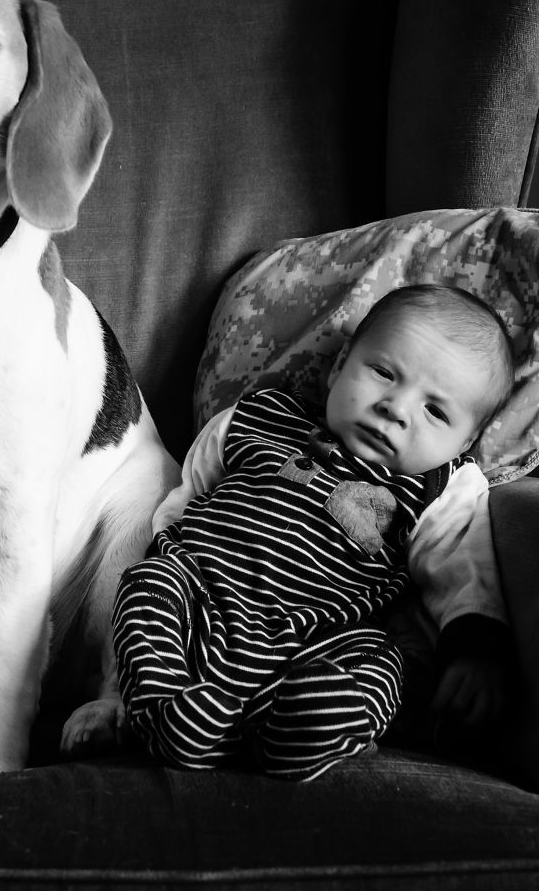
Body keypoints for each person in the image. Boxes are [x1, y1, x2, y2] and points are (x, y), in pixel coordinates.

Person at [112, 284, 515, 781]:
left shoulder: (438, 488)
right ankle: (164, 712)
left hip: (319, 640)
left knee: (385, 662)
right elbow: (186, 496)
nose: (396, 408)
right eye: (384, 373)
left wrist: (475, 652)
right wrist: (170, 555)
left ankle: (307, 728)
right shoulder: (255, 419)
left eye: (436, 411)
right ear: (341, 362)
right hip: (205, 602)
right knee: (147, 585)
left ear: (466, 439)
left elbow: (463, 568)